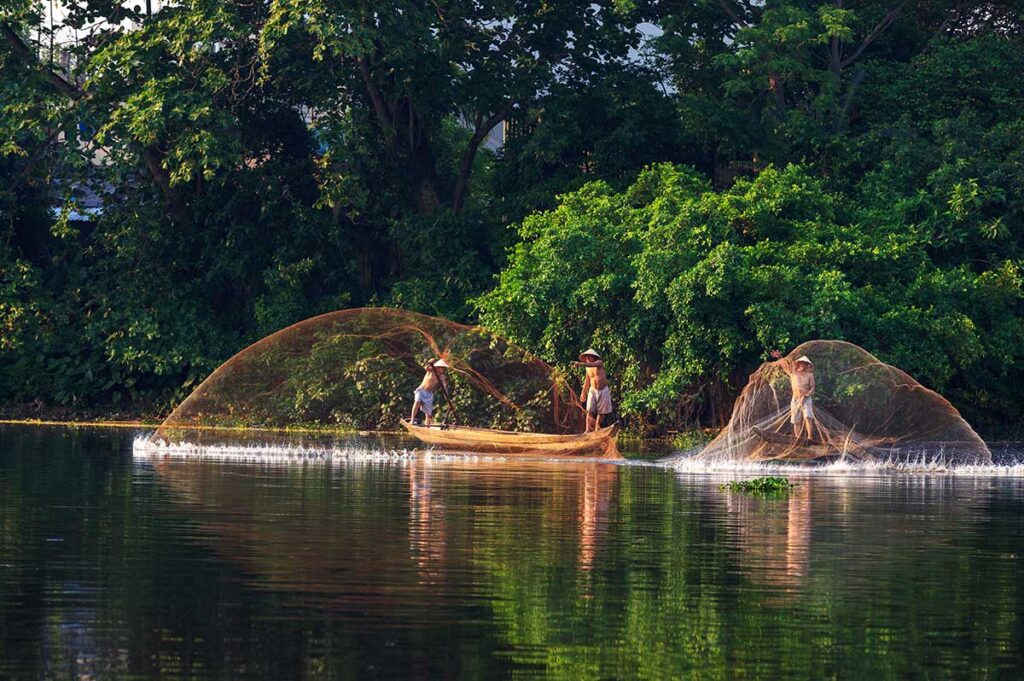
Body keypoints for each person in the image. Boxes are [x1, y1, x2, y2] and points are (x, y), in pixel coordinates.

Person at [771, 350, 820, 441]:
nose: (804, 365)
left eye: (806, 364)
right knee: (796, 419)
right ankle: (798, 439)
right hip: (795, 399)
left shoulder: (810, 375)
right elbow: (784, 365)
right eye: (803, 363)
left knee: (808, 416)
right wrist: (779, 356)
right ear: (799, 363)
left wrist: (807, 395)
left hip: (806, 398)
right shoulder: (793, 373)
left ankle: (810, 437)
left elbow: (813, 387)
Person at [574, 349, 612, 432]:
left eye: (589, 356)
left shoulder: (599, 362)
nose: (587, 357)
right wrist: (583, 392)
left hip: (603, 390)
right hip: (593, 390)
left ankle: (597, 429)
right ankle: (587, 430)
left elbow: (593, 364)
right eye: (586, 356)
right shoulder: (587, 368)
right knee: (590, 411)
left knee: (601, 413)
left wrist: (580, 364)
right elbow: (587, 380)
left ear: (593, 357)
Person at [410, 359, 449, 425]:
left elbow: (444, 387)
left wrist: (446, 396)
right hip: (421, 390)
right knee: (417, 402)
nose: (443, 369)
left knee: (428, 414)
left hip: (429, 394)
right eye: (441, 367)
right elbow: (426, 368)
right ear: (438, 367)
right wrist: (429, 362)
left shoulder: (442, 377)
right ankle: (412, 420)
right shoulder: (432, 370)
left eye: (444, 368)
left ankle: (427, 427)